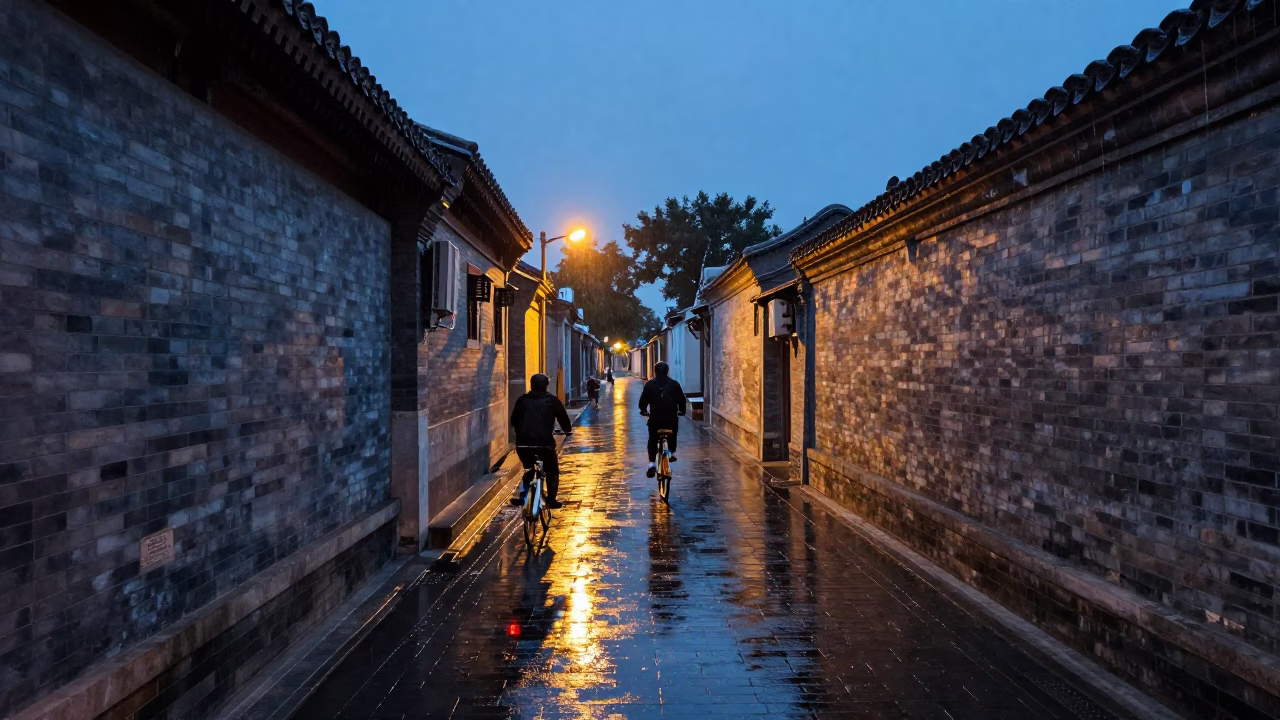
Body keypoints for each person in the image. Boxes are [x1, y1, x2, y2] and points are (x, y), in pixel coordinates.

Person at [510, 373, 572, 508]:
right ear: (546, 386)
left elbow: (514, 420)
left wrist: (521, 431)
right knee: (552, 471)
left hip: (523, 444)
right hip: (545, 444)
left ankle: (523, 495)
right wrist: (567, 430)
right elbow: (563, 418)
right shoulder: (552, 400)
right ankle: (551, 500)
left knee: (528, 468)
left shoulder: (522, 400)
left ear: (531, 385)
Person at [638, 361, 687, 478]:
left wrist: (644, 410)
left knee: (652, 439)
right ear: (667, 371)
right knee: (673, 433)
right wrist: (682, 411)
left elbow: (642, 402)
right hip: (671, 420)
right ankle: (670, 453)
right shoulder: (674, 384)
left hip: (655, 420)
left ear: (655, 371)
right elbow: (682, 400)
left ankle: (651, 464)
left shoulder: (649, 385)